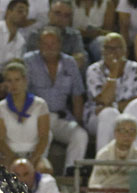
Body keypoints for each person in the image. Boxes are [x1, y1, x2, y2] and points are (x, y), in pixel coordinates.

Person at [24, 26, 88, 172]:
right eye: (45, 43)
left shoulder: (70, 62)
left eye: (53, 43)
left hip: (61, 117)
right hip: (36, 117)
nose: (49, 47)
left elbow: (77, 95)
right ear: (39, 45)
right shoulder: (28, 61)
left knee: (80, 135)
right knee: (46, 135)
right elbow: (22, 92)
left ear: (60, 44)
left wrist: (79, 121)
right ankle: (38, 174)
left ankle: (71, 173)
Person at [84, 32, 137, 152]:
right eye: (108, 48)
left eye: (118, 48)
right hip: (96, 117)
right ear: (102, 51)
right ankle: (103, 165)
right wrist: (114, 72)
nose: (113, 52)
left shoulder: (135, 68)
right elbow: (104, 100)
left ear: (125, 51)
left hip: (130, 113)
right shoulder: (94, 70)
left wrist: (115, 105)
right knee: (109, 114)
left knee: (131, 118)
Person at [0, 61, 52, 172]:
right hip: (9, 156)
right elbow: (0, 140)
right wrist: (15, 160)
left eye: (17, 80)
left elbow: (44, 137)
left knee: (44, 169)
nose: (13, 84)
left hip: (34, 155)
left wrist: (32, 160)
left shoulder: (40, 105)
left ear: (25, 80)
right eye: (9, 81)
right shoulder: (0, 107)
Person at [26, 0, 88, 70]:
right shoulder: (35, 35)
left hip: (67, 76)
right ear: (49, 14)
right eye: (57, 13)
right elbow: (32, 61)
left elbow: (80, 59)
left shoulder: (74, 35)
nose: (61, 18)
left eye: (66, 16)